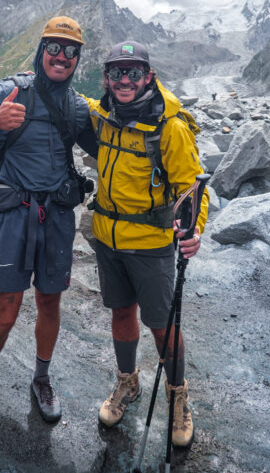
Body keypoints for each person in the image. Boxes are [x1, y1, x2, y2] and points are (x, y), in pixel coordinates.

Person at [0, 16, 97, 423]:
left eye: (71, 51)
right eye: (54, 47)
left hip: (57, 217)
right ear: (41, 49)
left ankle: (42, 379)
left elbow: (110, 151)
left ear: (78, 58)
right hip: (14, 214)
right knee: (8, 308)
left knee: (49, 303)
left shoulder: (78, 107)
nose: (61, 57)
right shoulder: (9, 91)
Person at [87, 40, 208, 447]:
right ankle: (128, 383)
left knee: (161, 325)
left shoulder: (170, 127)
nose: (124, 80)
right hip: (108, 239)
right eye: (117, 72)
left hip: (151, 244)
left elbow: (193, 188)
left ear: (148, 77)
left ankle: (178, 396)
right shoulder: (103, 114)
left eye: (133, 72)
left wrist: (193, 232)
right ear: (107, 78)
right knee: (121, 313)